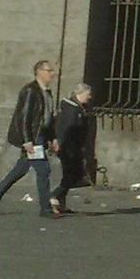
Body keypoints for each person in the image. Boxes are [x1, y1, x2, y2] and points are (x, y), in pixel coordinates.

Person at [0, 59, 58, 217]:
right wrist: (27, 140)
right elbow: (23, 117)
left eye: (52, 70)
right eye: (49, 70)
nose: (52, 74)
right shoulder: (30, 90)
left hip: (41, 136)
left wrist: (53, 137)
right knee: (43, 170)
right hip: (33, 137)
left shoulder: (47, 92)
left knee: (21, 169)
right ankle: (45, 208)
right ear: (38, 71)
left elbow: (48, 117)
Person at [49, 84, 97, 215]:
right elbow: (65, 129)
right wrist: (60, 144)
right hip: (69, 147)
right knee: (73, 175)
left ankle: (60, 203)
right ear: (80, 93)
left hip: (73, 147)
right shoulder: (72, 109)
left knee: (69, 175)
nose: (90, 97)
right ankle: (54, 196)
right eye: (88, 94)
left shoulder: (78, 108)